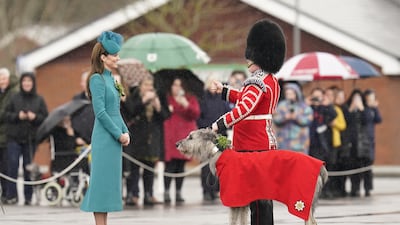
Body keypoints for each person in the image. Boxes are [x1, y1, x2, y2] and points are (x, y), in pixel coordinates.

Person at [211, 19, 286, 225]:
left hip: (252, 144)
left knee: (257, 197)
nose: (247, 60)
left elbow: (245, 108)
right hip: (263, 142)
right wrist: (225, 91)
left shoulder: (257, 80)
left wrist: (220, 123)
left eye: (250, 56)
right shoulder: (269, 79)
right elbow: (246, 98)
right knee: (263, 197)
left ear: (259, 56)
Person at [80, 31, 130, 225]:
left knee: (109, 185)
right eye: (115, 55)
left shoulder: (112, 79)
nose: (118, 58)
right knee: (101, 185)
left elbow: (116, 111)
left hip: (115, 137)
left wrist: (126, 131)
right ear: (103, 57)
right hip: (104, 138)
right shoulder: (97, 80)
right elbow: (100, 113)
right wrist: (119, 134)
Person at [123, 74, 170, 206]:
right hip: (137, 136)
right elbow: (130, 110)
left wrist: (158, 106)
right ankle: (132, 194)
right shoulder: (135, 96)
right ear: (140, 86)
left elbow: (166, 116)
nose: (149, 88)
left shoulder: (158, 96)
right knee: (134, 168)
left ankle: (148, 193)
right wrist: (143, 101)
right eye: (146, 85)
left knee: (149, 167)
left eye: (151, 85)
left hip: (152, 137)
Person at [4, 72, 48, 205]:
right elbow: (6, 114)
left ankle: (28, 197)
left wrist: (35, 117)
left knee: (29, 168)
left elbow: (45, 117)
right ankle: (11, 196)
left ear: (33, 83)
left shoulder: (39, 99)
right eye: (24, 81)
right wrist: (18, 116)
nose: (27, 84)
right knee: (12, 166)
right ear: (21, 83)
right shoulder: (14, 98)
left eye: (29, 81)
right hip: (14, 138)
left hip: (30, 139)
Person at [163, 77, 200, 205]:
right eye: (175, 85)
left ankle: (178, 191)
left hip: (184, 134)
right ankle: (166, 191)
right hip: (171, 134)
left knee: (181, 164)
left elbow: (195, 113)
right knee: (170, 164)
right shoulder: (167, 98)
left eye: (180, 85)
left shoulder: (190, 98)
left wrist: (185, 104)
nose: (177, 88)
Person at [197, 75, 230, 202]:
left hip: (221, 135)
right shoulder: (202, 99)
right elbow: (198, 117)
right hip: (206, 135)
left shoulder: (222, 99)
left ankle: (217, 189)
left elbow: (228, 113)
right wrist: (206, 127)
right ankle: (206, 189)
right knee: (206, 165)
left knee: (221, 163)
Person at [345, 89, 372, 197]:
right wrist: (351, 109)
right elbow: (345, 122)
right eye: (354, 98)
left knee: (366, 168)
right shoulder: (348, 109)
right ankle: (354, 188)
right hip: (352, 144)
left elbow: (368, 120)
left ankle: (367, 188)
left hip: (364, 144)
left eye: (358, 98)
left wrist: (361, 108)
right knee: (353, 167)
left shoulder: (366, 109)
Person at [273, 83, 313, 154]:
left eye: (291, 93)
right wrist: (284, 117)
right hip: (284, 142)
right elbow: (276, 119)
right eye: (287, 93)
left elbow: (309, 120)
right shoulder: (281, 105)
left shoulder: (304, 107)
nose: (289, 95)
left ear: (296, 93)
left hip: (300, 142)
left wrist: (296, 117)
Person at [324, 86, 347, 198]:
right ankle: (324, 189)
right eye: (326, 95)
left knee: (332, 167)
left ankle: (332, 189)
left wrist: (334, 124)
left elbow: (343, 125)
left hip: (333, 142)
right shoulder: (321, 108)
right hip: (323, 142)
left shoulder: (336, 109)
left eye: (330, 96)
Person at [0, 68, 18, 203]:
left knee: (8, 167)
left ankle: (9, 194)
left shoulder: (13, 94)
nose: (2, 81)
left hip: (8, 137)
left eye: (4, 78)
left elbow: (7, 113)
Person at [362, 89, 382, 196]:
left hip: (370, 141)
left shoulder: (373, 110)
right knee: (362, 165)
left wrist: (375, 108)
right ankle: (357, 188)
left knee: (369, 166)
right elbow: (365, 119)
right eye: (369, 99)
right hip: (362, 141)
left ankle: (368, 188)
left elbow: (379, 119)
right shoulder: (364, 109)